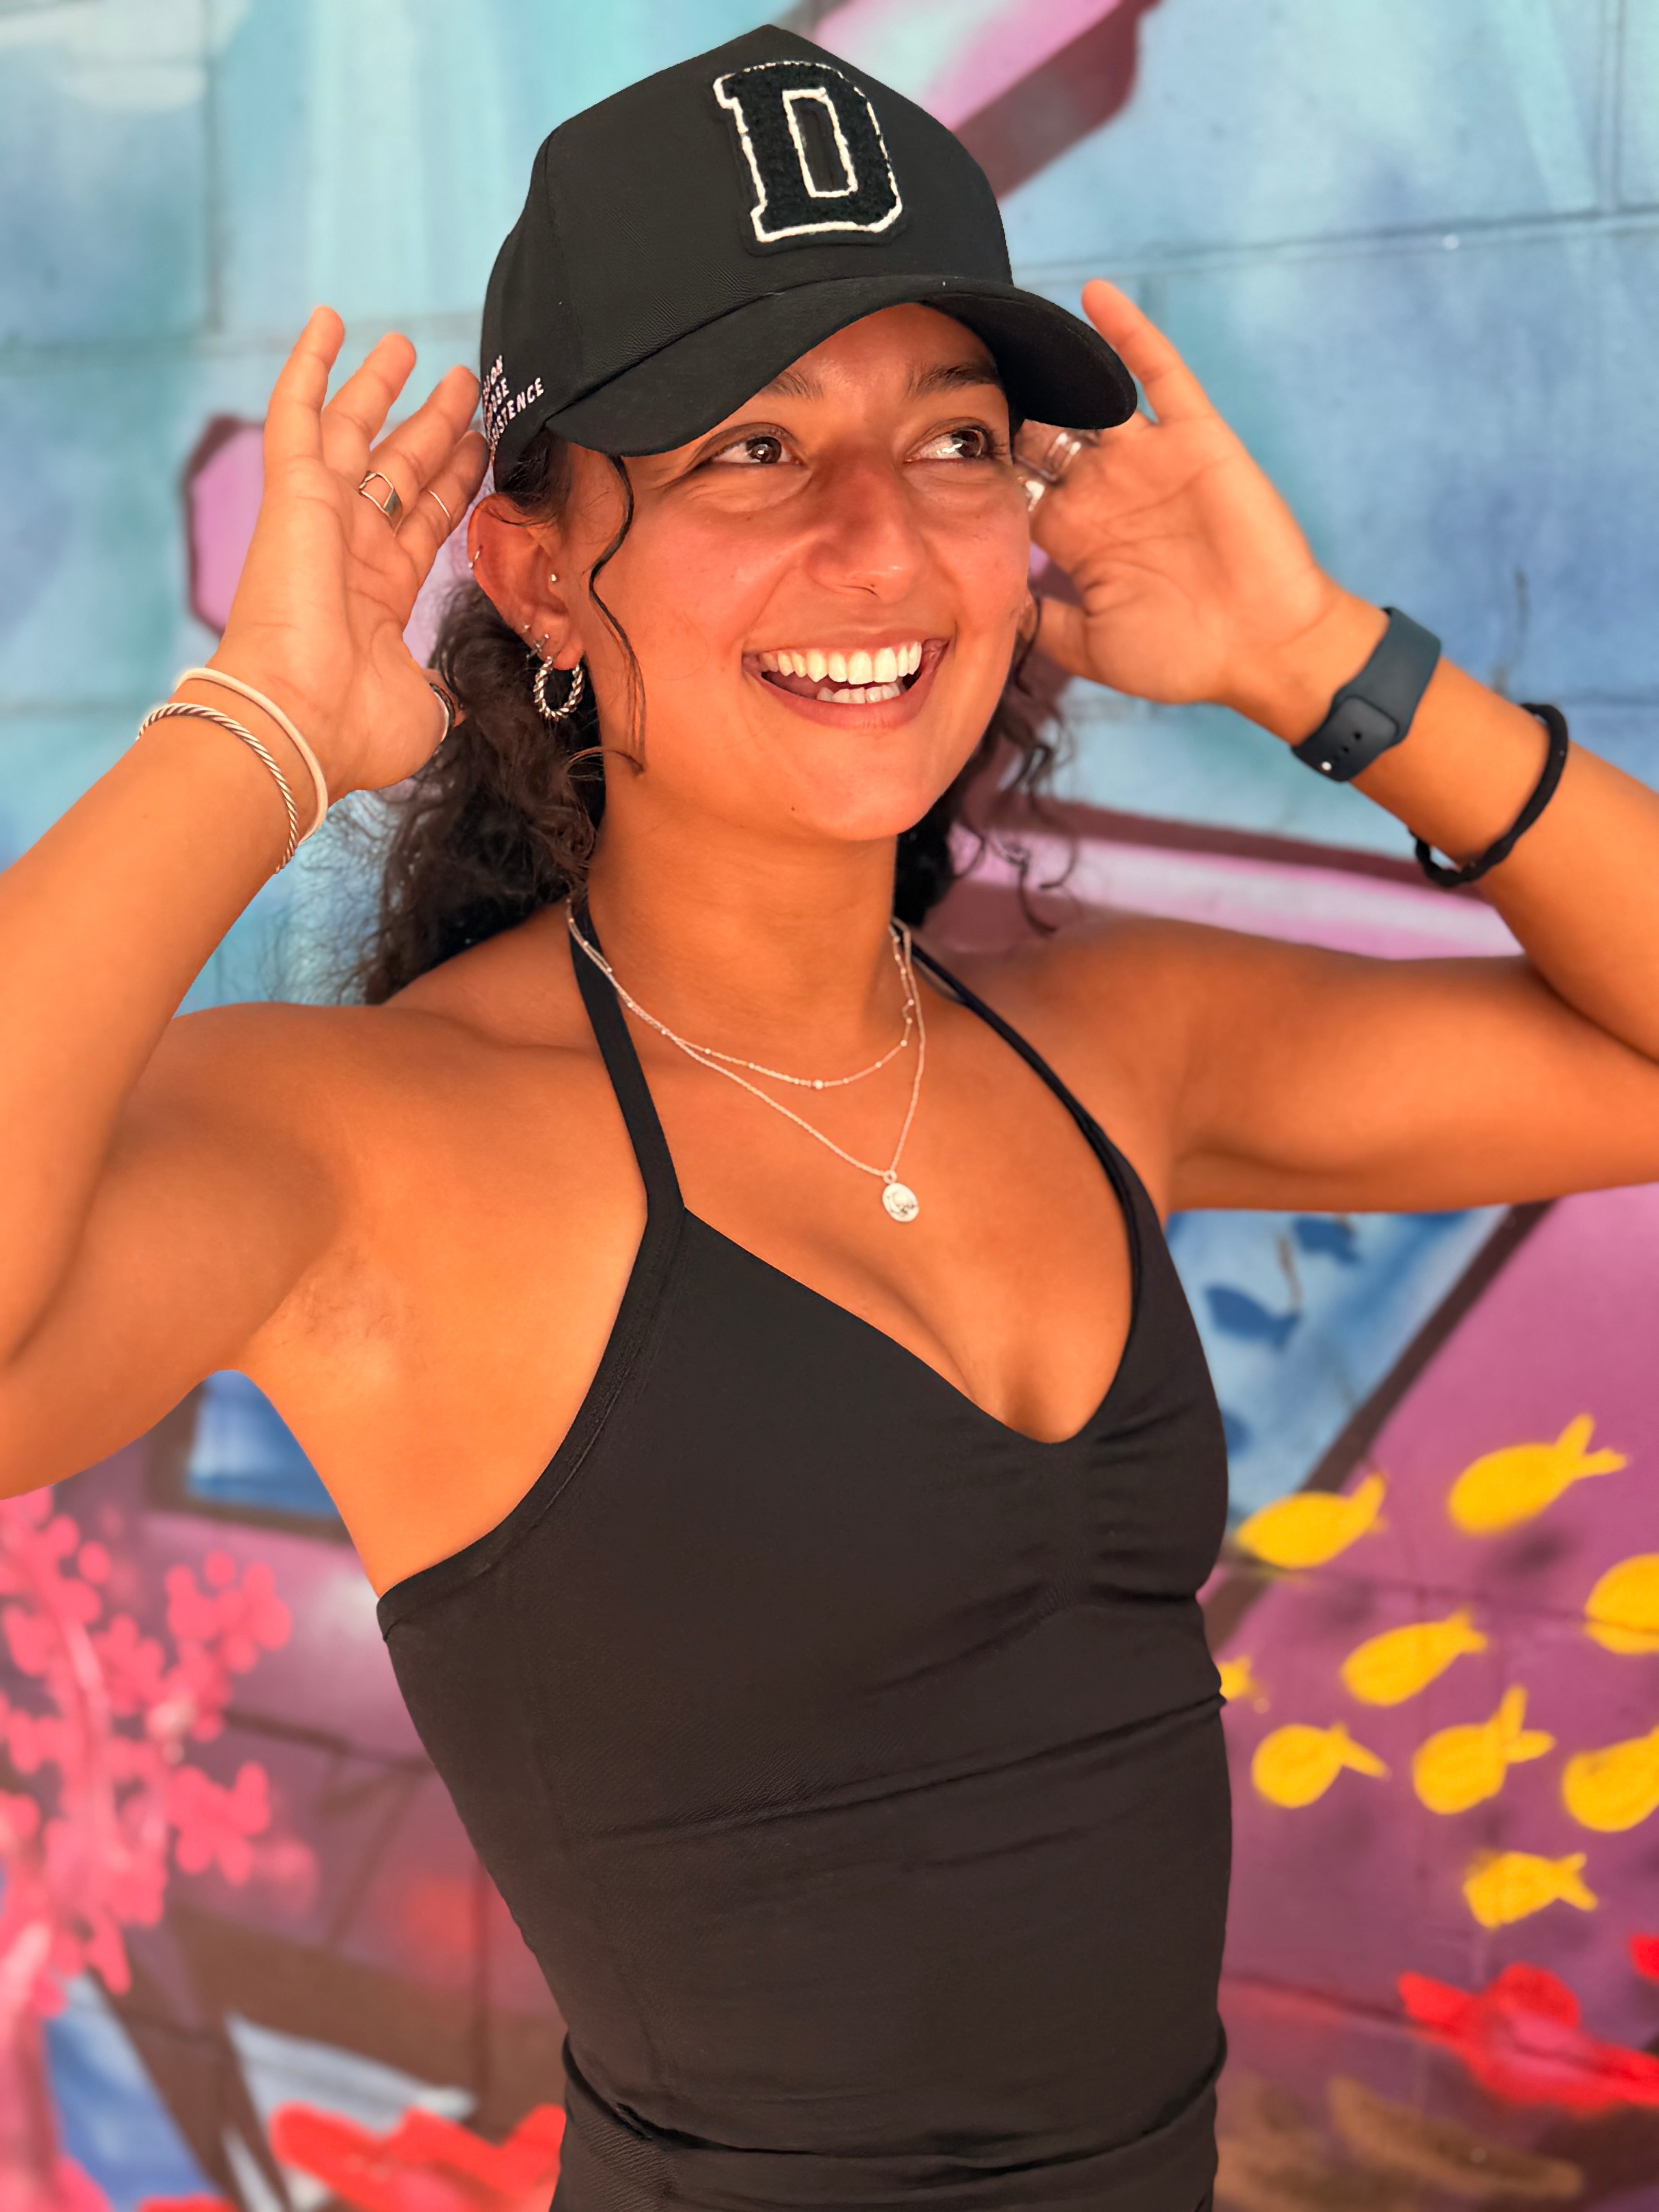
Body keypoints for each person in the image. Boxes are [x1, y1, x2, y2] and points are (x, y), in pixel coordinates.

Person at [3, 25, 1658, 2212]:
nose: (881, 538)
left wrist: (1321, 656)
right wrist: (260, 733)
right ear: (534, 572)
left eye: (956, 441)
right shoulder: (375, 1151)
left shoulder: (1110, 1052)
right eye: (754, 450)